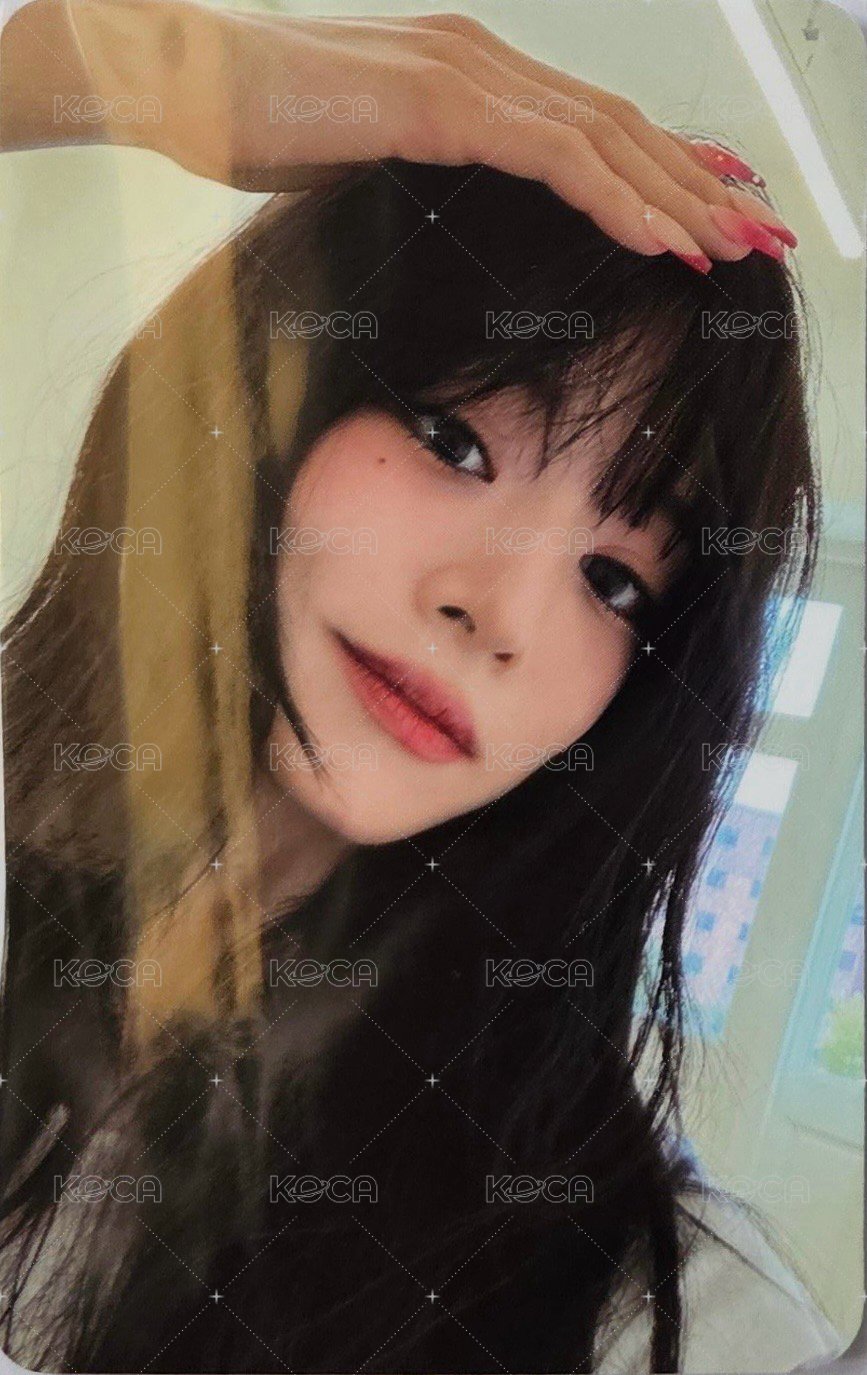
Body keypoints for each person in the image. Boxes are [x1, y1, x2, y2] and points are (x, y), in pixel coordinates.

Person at [0, 2, 846, 1371]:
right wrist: (103, 62)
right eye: (455, 440)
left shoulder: (644, 1301)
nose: (496, 613)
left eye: (615, 580)